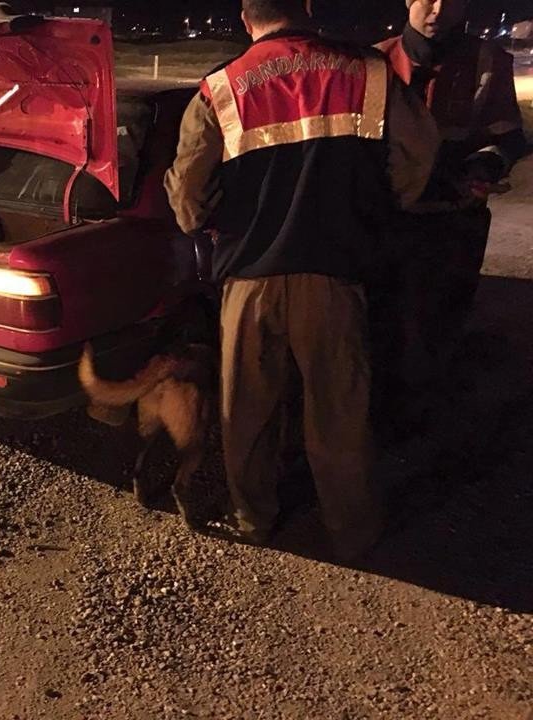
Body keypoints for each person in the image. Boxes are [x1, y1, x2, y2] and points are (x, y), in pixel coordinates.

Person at [164, 0, 438, 558]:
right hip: (336, 275)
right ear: (307, 9)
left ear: (247, 17)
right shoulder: (370, 73)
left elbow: (189, 203)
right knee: (340, 411)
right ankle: (354, 530)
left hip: (249, 280)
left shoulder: (220, 89)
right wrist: (377, 206)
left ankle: (253, 518)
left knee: (247, 413)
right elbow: (417, 158)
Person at [374, 0, 526, 421]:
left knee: (443, 318)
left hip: (454, 216)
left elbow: (511, 135)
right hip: (393, 215)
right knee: (383, 317)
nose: (437, 8)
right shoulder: (375, 61)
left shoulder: (488, 61)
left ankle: (431, 406)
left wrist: (486, 163)